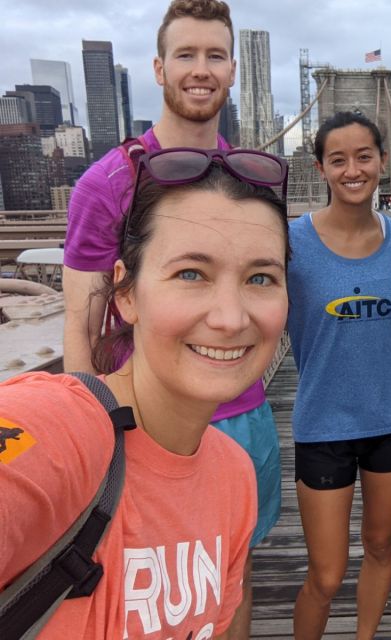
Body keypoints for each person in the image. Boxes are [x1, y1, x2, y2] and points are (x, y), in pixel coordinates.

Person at [0, 147, 290, 638]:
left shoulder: (233, 476)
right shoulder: (60, 433)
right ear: (126, 294)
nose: (231, 317)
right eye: (191, 274)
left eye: (260, 278)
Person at [60, 2, 280, 634]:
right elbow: (82, 322)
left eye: (215, 55)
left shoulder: (252, 180)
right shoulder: (107, 183)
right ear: (159, 67)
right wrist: (89, 443)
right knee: (142, 598)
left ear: (234, 69)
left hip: (246, 418)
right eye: (185, 54)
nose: (201, 69)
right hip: (143, 432)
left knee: (235, 581)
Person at [286, 111, 391, 640]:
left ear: (383, 163)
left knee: (381, 548)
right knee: (326, 572)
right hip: (322, 424)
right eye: (337, 159)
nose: (352, 170)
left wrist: (378, 332)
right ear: (320, 167)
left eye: (364, 156)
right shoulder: (291, 243)